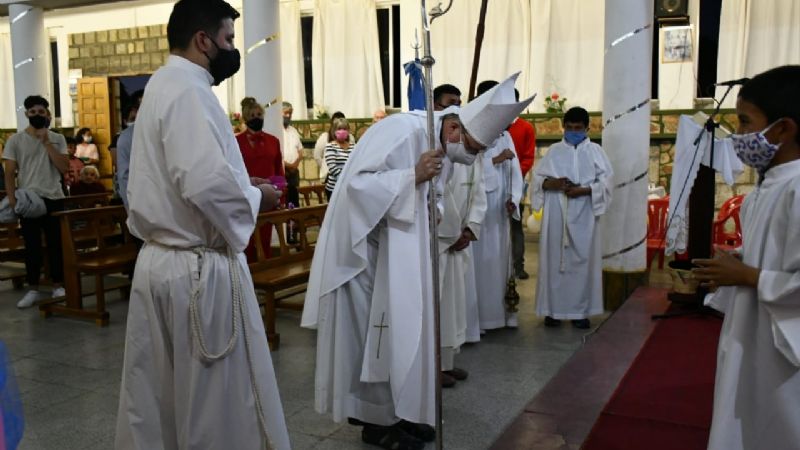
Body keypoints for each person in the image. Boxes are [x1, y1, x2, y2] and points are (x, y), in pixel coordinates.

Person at [301, 73, 532, 449]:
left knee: (401, 332)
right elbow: (356, 185)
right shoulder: (403, 131)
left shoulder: (443, 143)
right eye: (472, 148)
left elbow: (434, 196)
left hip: (399, 255)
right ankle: (376, 424)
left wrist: (435, 204)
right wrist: (411, 175)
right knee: (373, 338)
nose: (472, 156)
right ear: (454, 126)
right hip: (364, 256)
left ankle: (397, 414)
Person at [115, 1, 290, 449]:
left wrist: (239, 183)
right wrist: (259, 196)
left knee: (162, 398)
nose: (232, 49)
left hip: (161, 262)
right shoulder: (191, 90)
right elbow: (203, 181)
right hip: (196, 273)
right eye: (229, 39)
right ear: (203, 40)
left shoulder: (162, 84)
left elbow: (181, 174)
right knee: (214, 403)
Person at [692, 65, 800, 450]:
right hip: (754, 331)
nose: (738, 134)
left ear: (784, 129)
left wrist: (750, 276)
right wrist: (732, 265)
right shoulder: (769, 185)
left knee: (778, 424)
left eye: (744, 121)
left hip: (782, 348)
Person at [531, 106, 613, 329]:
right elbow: (538, 181)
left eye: (578, 128)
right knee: (554, 261)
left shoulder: (596, 151)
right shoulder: (555, 151)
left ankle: (580, 312)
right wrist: (552, 184)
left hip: (585, 213)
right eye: (569, 128)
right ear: (563, 127)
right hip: (557, 212)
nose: (573, 132)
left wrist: (585, 190)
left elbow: (606, 183)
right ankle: (553, 311)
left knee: (583, 263)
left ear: (587, 128)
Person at [2, 95, 68, 309]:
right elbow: (10, 172)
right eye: (33, 113)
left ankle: (59, 284)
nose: (37, 116)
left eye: (41, 112)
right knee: (32, 246)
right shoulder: (15, 140)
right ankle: (33, 288)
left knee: (56, 244)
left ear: (47, 115)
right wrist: (12, 199)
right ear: (26, 115)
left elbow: (64, 167)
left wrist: (47, 142)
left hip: (54, 197)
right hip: (29, 200)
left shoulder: (58, 138)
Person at [471, 80, 525, 331]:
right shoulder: (472, 129)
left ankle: (503, 315)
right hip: (479, 206)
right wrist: (496, 159)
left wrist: (514, 199)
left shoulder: (504, 134)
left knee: (501, 261)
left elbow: (515, 170)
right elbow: (466, 167)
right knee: (481, 263)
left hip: (501, 209)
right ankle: (480, 319)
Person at [236, 96, 284, 261]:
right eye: (252, 116)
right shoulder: (236, 142)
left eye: (259, 115)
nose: (256, 118)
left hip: (269, 199)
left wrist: (280, 197)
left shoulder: (273, 141)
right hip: (246, 198)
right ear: (245, 118)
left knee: (265, 240)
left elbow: (279, 171)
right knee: (246, 242)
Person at [507, 88, 537, 279]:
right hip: (493, 185)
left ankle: (519, 265)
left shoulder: (525, 127)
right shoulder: (495, 126)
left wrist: (515, 177)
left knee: (516, 226)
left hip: (515, 184)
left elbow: (528, 157)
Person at [323, 117, 355, 200]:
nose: (342, 131)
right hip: (334, 189)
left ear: (348, 131)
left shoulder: (353, 146)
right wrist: (345, 180)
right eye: (339, 129)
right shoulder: (330, 146)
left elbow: (356, 163)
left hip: (350, 188)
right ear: (334, 131)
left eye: (344, 129)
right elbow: (332, 167)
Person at [313, 111, 349, 183]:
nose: (341, 130)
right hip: (330, 179)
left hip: (347, 178)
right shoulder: (324, 138)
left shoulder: (351, 139)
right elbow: (317, 156)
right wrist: (325, 167)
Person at [115, 103, 139, 210]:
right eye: (133, 118)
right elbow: (124, 174)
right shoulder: (125, 138)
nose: (136, 122)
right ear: (125, 121)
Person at [282, 101, 303, 210]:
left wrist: (295, 164)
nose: (288, 116)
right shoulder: (277, 130)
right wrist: (288, 166)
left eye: (290, 113)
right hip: (283, 171)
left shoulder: (293, 131)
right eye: (286, 113)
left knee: (294, 200)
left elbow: (300, 151)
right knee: (284, 200)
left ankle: (295, 224)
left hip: (294, 172)